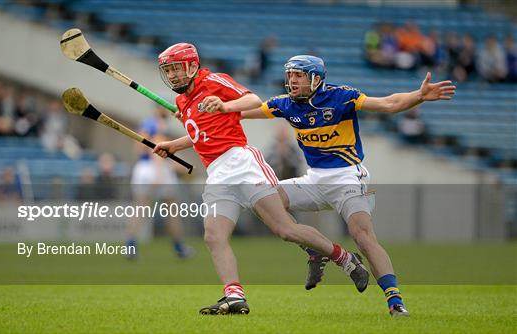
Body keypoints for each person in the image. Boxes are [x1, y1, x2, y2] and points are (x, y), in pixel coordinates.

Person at [209, 55, 455, 317]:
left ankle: (395, 301)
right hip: (314, 179)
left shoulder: (342, 97)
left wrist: (418, 95)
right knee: (264, 201)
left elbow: (388, 103)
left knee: (362, 236)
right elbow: (240, 113)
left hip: (348, 177)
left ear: (316, 78)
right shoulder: (286, 104)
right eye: (290, 75)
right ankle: (315, 250)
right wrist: (213, 110)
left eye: (298, 75)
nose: (292, 80)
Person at [153, 44, 369, 315]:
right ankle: (234, 294)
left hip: (243, 164)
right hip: (217, 173)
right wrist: (175, 144)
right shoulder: (182, 102)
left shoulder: (213, 81)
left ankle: (345, 258)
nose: (172, 76)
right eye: (168, 71)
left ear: (192, 66)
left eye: (176, 69)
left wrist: (225, 105)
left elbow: (253, 100)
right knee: (213, 236)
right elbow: (202, 133)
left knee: (285, 230)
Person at [127, 106, 194, 259]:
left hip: (142, 169)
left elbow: (139, 149)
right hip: (156, 170)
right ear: (158, 109)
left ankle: (130, 246)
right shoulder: (159, 125)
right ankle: (179, 248)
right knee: (171, 210)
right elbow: (157, 149)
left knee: (140, 208)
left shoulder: (145, 123)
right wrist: (158, 173)